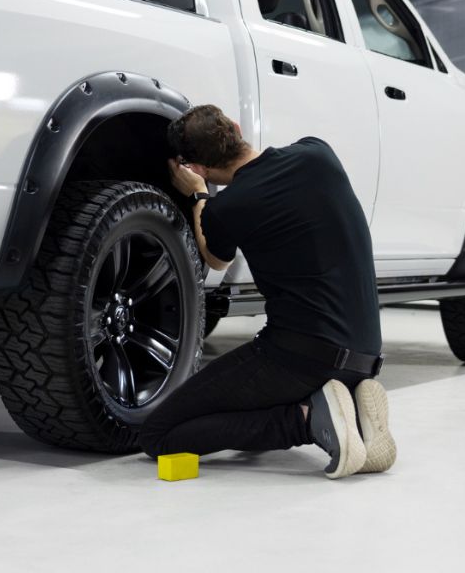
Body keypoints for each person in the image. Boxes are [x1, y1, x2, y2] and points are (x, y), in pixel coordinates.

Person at [138, 104, 396, 479]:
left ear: (198, 169)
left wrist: (198, 195)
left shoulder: (227, 207)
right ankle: (349, 409)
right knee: (234, 399)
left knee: (158, 435)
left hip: (300, 357)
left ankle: (308, 420)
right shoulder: (318, 153)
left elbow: (215, 258)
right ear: (237, 129)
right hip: (366, 353)